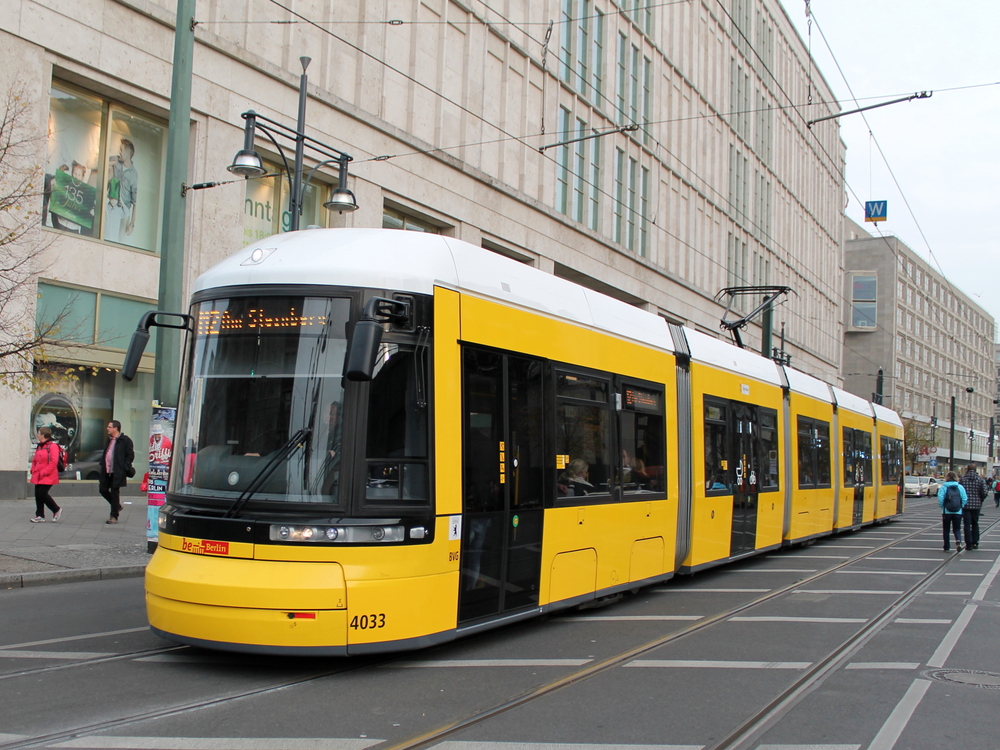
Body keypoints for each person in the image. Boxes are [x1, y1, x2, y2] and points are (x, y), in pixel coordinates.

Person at [99, 420, 135, 524]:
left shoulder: (125, 440)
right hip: (106, 470)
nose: (107, 428)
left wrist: (125, 466)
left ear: (116, 428)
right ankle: (117, 506)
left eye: (109, 427)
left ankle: (114, 516)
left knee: (115, 492)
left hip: (118, 471)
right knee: (103, 489)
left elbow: (130, 455)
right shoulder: (109, 440)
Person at [104, 138, 138, 243]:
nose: (119, 152)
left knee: (119, 241)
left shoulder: (133, 174)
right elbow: (101, 163)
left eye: (121, 150)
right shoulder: (115, 160)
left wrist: (132, 223)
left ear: (128, 153)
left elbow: (135, 202)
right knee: (106, 235)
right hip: (111, 205)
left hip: (124, 210)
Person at [29, 427, 63, 523]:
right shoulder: (40, 446)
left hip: (48, 475)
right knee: (37, 494)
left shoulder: (52, 446)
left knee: (42, 493)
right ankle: (39, 515)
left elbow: (54, 461)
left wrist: (45, 472)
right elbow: (35, 459)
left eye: (39, 433)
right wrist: (33, 469)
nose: (37, 435)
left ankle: (56, 509)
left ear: (43, 435)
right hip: (38, 474)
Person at [959, 464, 988, 550]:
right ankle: (975, 542)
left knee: (967, 525)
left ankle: (969, 544)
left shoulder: (963, 479)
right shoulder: (980, 480)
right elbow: (985, 492)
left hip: (966, 505)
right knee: (975, 523)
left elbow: (959, 491)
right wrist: (980, 499)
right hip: (976, 505)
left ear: (967, 469)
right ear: (975, 470)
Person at [937, 470, 967, 552]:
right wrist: (961, 506)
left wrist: (943, 507)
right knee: (957, 528)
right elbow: (964, 498)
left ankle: (946, 546)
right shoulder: (960, 487)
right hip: (958, 512)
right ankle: (958, 540)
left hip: (946, 512)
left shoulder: (944, 487)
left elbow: (940, 499)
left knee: (946, 529)